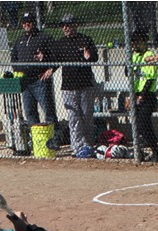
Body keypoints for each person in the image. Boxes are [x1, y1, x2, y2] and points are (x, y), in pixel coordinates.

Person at [54, 14, 99, 159]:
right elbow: (55, 61)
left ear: (75, 25)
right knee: (74, 117)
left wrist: (89, 56)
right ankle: (77, 146)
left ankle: (88, 144)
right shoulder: (60, 43)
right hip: (68, 86)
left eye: (68, 25)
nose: (65, 28)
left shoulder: (85, 40)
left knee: (86, 115)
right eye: (63, 25)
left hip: (85, 84)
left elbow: (95, 58)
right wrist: (49, 68)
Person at [10, 12, 57, 129]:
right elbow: (13, 58)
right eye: (24, 23)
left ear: (34, 23)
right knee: (30, 112)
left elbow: (57, 55)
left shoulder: (44, 37)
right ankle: (35, 138)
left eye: (29, 22)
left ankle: (54, 137)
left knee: (48, 110)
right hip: (25, 82)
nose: (26, 25)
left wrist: (51, 69)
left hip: (40, 80)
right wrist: (17, 70)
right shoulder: (20, 40)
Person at [130, 30, 158, 163]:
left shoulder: (149, 55)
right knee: (137, 124)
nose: (135, 45)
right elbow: (128, 73)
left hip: (147, 94)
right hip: (135, 93)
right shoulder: (134, 56)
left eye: (138, 42)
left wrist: (142, 95)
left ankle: (156, 152)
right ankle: (140, 152)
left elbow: (150, 78)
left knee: (144, 123)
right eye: (134, 42)